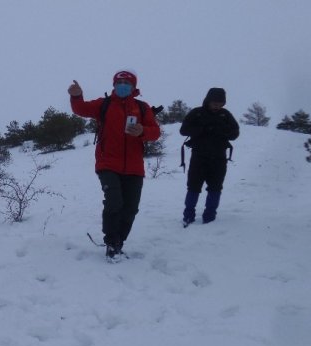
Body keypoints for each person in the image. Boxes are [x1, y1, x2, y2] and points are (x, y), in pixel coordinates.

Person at [68, 70, 161, 261]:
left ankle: (119, 241)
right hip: (107, 163)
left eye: (127, 83)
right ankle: (111, 243)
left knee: (131, 208)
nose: (123, 85)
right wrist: (76, 95)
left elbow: (155, 132)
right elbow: (80, 109)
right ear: (114, 85)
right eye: (120, 82)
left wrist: (143, 131)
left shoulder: (142, 108)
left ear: (134, 86)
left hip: (134, 167)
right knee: (114, 202)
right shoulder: (105, 105)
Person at [179, 88, 239, 226]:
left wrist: (222, 131)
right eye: (214, 102)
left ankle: (210, 216)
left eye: (220, 103)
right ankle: (188, 215)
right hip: (198, 157)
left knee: (215, 187)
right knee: (193, 187)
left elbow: (235, 133)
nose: (217, 105)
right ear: (208, 101)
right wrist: (202, 129)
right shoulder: (197, 113)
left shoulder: (225, 115)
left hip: (219, 158)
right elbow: (183, 130)